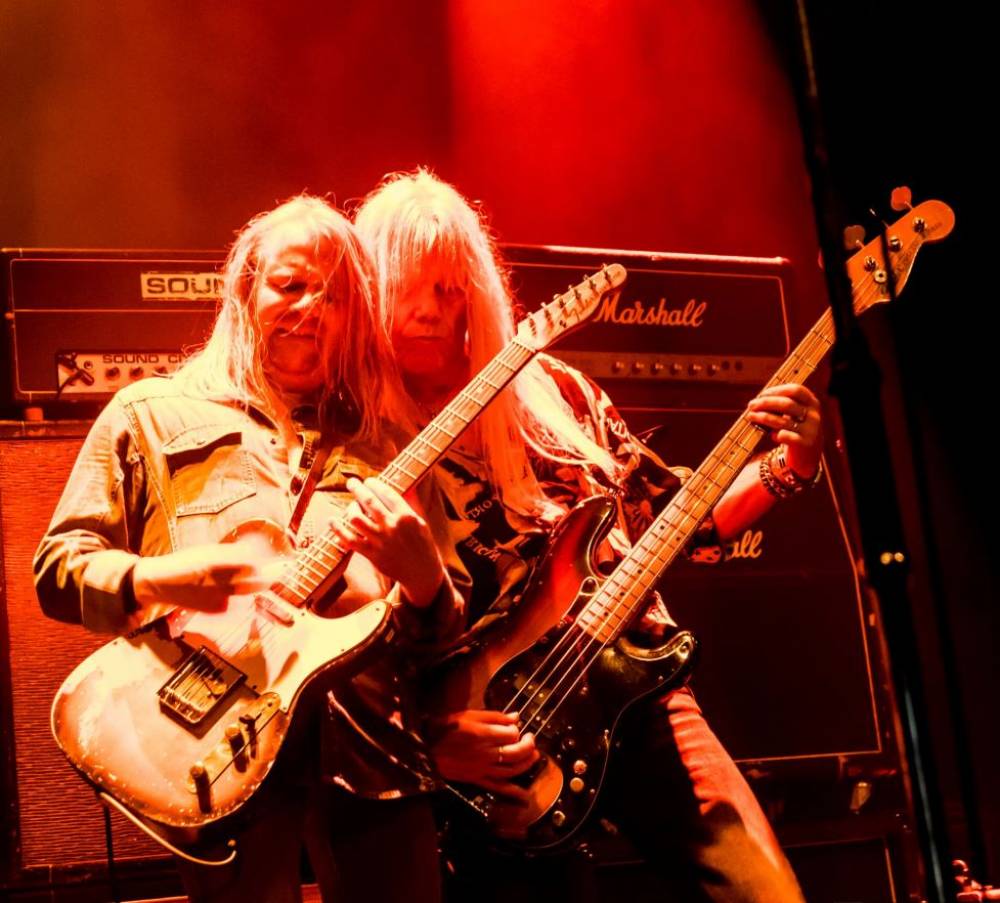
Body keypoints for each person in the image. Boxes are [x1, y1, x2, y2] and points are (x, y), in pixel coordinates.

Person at [354, 169, 823, 902]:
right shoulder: (355, 436)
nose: (428, 310)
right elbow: (343, 641)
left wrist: (791, 464)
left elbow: (682, 523)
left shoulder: (558, 394)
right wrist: (429, 737)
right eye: (407, 286)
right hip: (498, 737)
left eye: (447, 288)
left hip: (636, 685)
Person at [34, 195, 465, 903]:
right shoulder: (150, 413)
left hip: (372, 759)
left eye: (333, 297)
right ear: (245, 289)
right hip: (216, 749)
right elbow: (57, 568)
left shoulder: (391, 441)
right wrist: (158, 579)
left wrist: (427, 584)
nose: (310, 308)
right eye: (290, 285)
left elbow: (443, 641)